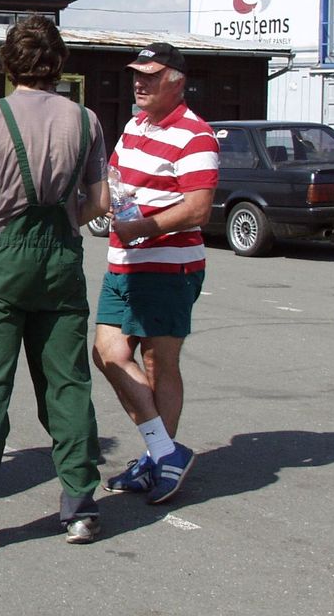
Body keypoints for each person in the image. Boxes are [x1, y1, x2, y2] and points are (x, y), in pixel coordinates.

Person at [0, 15, 109, 552]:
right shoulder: (86, 120)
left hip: (4, 261)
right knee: (68, 386)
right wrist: (66, 215)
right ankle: (81, 508)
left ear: (8, 64)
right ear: (59, 64)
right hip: (61, 261)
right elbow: (99, 202)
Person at [92, 42, 219, 506]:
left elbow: (198, 209)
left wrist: (141, 227)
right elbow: (115, 182)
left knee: (158, 363)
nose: (139, 83)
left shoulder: (195, 134)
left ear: (176, 81)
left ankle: (158, 458)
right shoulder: (134, 125)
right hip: (123, 262)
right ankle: (165, 452)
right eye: (137, 74)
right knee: (106, 353)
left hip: (169, 267)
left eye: (151, 75)